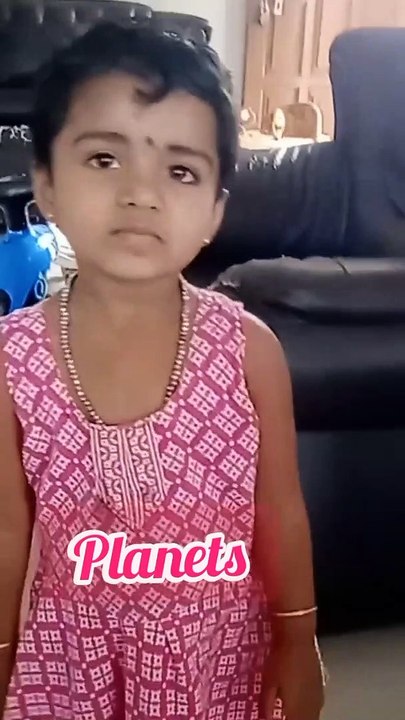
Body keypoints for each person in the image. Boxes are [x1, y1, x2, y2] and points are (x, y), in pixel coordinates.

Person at [0, 23, 325, 720]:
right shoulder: (10, 361)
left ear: (214, 211)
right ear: (46, 184)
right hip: (72, 664)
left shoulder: (249, 351)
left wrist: (298, 639)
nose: (141, 193)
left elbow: (279, 509)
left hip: (217, 660)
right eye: (104, 158)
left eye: (180, 171)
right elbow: (4, 531)